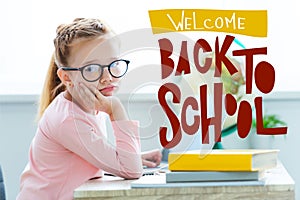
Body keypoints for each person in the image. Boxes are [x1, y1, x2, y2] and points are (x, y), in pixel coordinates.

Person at [17, 18, 162, 200]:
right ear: (66, 77)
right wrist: (115, 108)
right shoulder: (69, 120)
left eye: (114, 64)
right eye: (92, 68)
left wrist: (132, 157)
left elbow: (84, 160)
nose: (107, 77)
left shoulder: (89, 104)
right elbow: (131, 171)